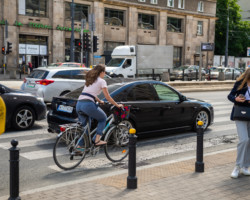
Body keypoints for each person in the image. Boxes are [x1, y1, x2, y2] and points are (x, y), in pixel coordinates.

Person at [76, 64, 123, 148]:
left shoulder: (90, 80)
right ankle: (97, 140)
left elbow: (89, 93)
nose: (105, 74)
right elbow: (108, 97)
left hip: (79, 104)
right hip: (88, 105)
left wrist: (99, 101)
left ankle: (79, 147)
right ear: (101, 72)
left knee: (85, 128)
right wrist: (117, 105)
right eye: (105, 72)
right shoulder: (102, 81)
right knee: (103, 118)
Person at [228, 68, 250, 178]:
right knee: (244, 140)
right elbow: (230, 96)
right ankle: (237, 166)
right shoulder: (241, 83)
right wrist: (236, 99)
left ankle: (246, 166)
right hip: (241, 114)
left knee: (249, 142)